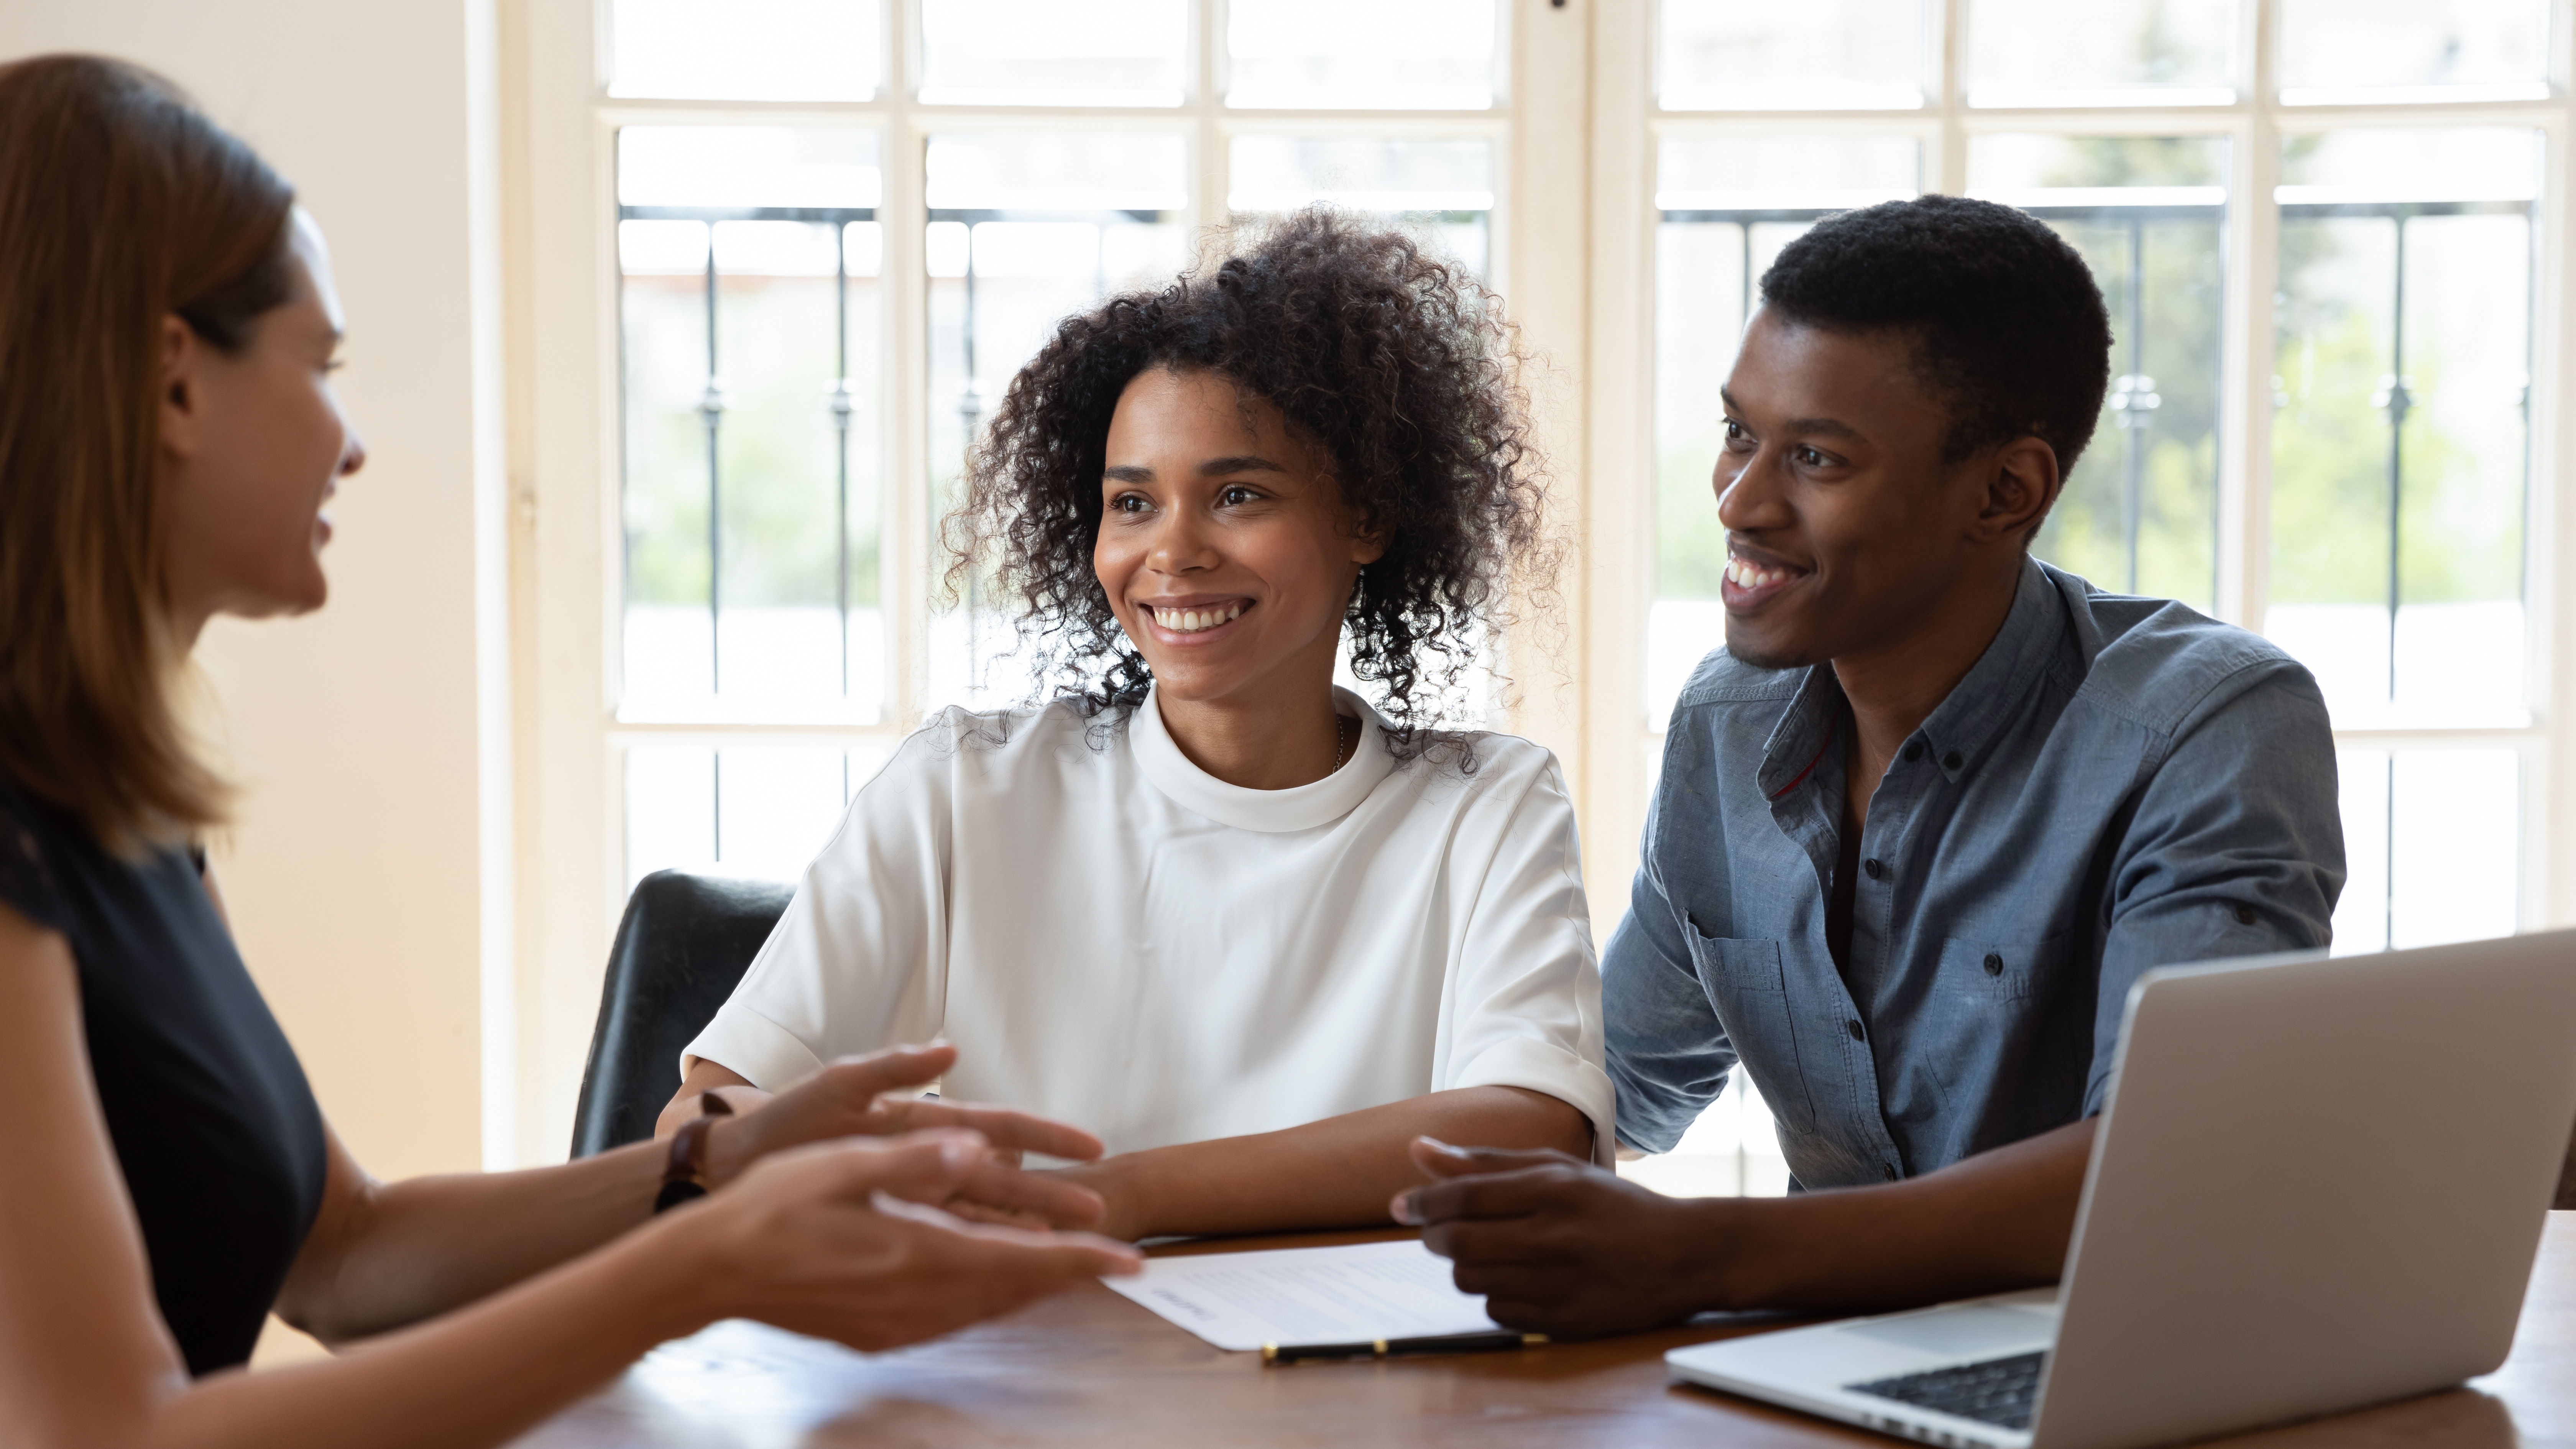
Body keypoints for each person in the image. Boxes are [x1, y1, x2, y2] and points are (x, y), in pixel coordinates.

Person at [0, 54, 1140, 1449]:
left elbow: (349, 1258)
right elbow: (107, 1435)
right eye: (322, 365)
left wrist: (718, 1164)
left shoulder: (110, 812)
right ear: (176, 384)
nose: (351, 444)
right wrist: (709, 1262)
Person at [1394, 195, 2346, 1334]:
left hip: (2110, 1363)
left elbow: (2168, 1167)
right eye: (1740, 433)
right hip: (1819, 1363)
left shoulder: (2211, 723)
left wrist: (1705, 1255)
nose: (1739, 501)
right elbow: (1613, 1080)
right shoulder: (1729, 718)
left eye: (1815, 458)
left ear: (2006, 492)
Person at [664, 211, 1611, 1242]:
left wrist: (1106, 1194)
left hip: (1357, 1384)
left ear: (1368, 519)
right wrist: (800, 1149)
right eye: (1132, 503)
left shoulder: (1488, 804)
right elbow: (712, 1110)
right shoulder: (968, 785)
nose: (1172, 552)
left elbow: (1531, 1127)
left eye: (1237, 495)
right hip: (1036, 1357)